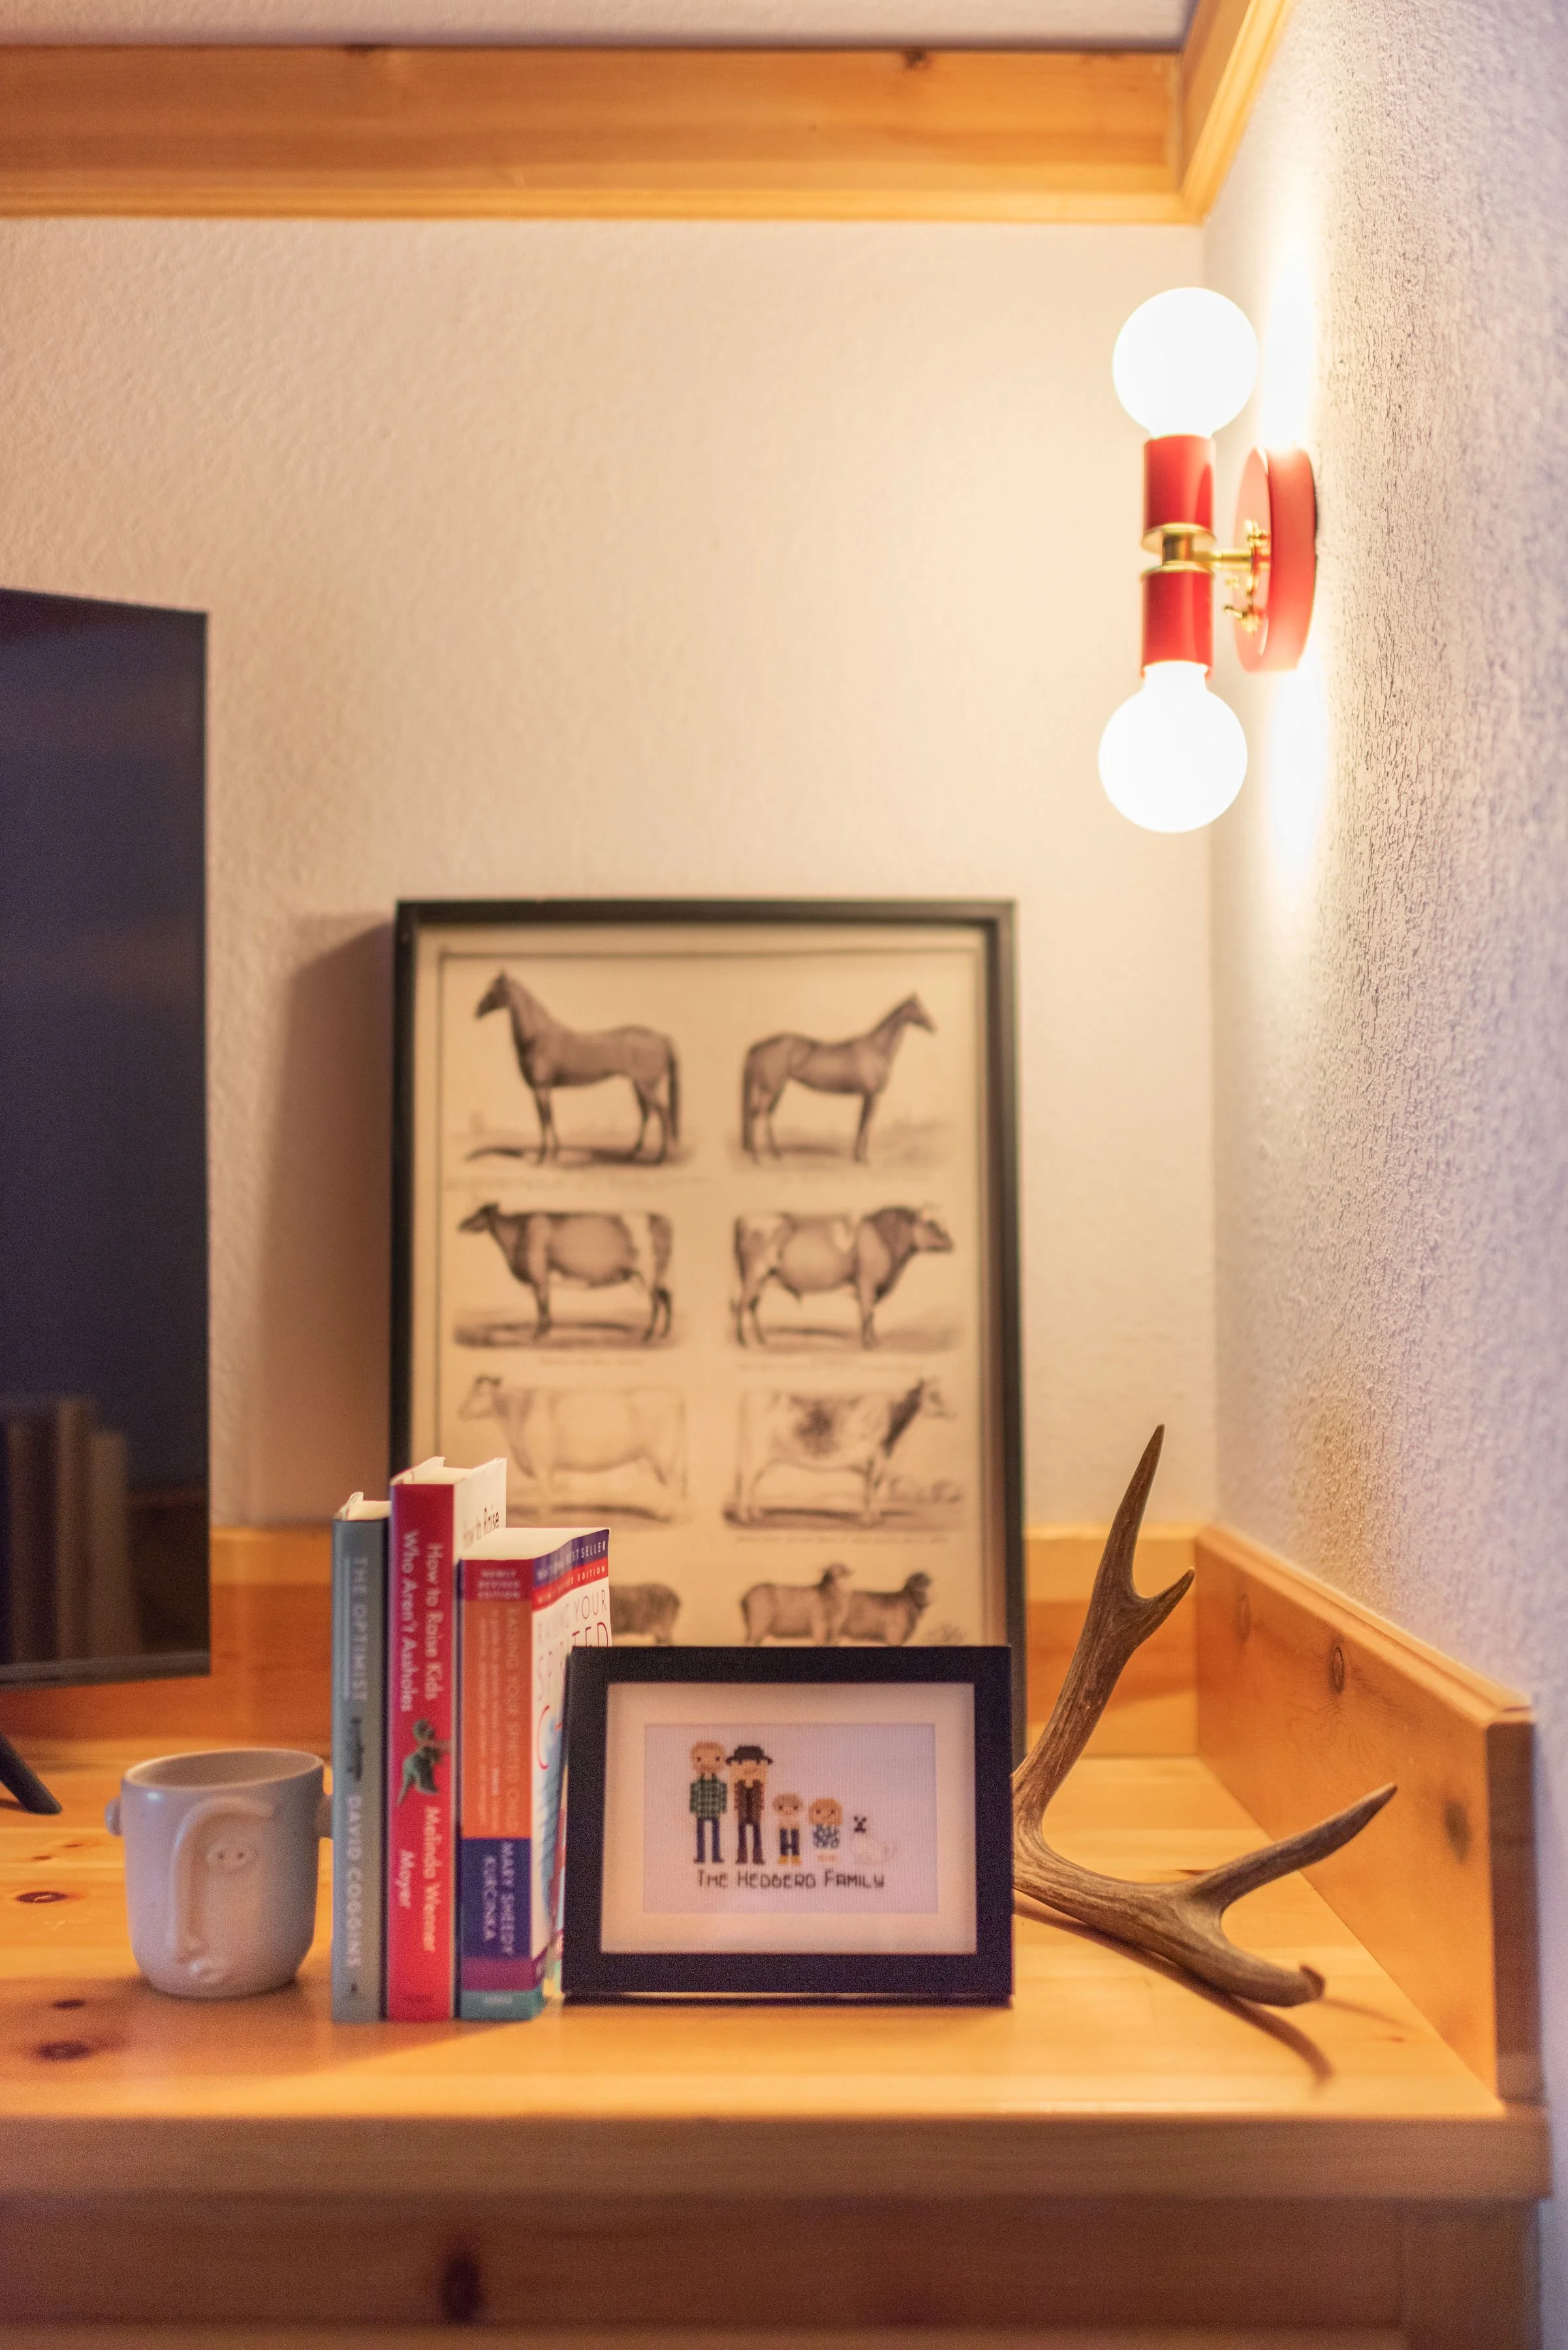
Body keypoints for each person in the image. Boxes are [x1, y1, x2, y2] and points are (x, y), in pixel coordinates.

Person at [727, 1743, 772, 1866]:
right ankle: (742, 1857)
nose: (748, 1767)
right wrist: (736, 1810)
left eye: (753, 1763)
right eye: (743, 1763)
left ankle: (758, 1857)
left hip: (756, 1813)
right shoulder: (738, 1783)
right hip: (742, 1813)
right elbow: (736, 1796)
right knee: (742, 1835)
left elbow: (761, 1797)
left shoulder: (759, 1783)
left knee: (757, 1834)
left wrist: (762, 1811)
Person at [689, 1739, 727, 1863]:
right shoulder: (696, 1785)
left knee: (715, 1836)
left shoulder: (720, 1785)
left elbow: (723, 1796)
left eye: (715, 1759)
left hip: (715, 1812)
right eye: (700, 1759)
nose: (707, 1764)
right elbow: (694, 1797)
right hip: (701, 1812)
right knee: (700, 1836)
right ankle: (701, 1857)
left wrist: (722, 1808)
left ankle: (716, 1856)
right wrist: (693, 1809)